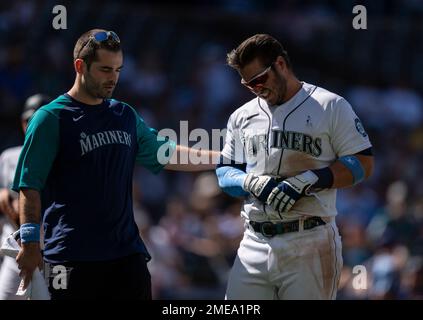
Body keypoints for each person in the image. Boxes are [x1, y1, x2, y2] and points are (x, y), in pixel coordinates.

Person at [12, 29, 218, 300]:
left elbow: (165, 153)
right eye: (105, 69)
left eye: (118, 69)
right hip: (70, 256)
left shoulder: (123, 114)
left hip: (126, 256)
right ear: (80, 66)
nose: (113, 78)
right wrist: (29, 243)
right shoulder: (50, 118)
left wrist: (222, 158)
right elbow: (30, 184)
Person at [216, 34, 374, 299]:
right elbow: (224, 172)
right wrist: (249, 181)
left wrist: (312, 178)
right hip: (254, 240)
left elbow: (362, 164)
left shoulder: (330, 105)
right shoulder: (241, 116)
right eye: (248, 83)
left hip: (309, 241)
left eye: (260, 79)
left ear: (280, 64)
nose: (256, 88)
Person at [0, 94, 51, 300]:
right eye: (30, 120)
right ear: (23, 123)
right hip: (16, 255)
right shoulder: (8, 157)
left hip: (52, 256)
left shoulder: (64, 160)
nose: (34, 125)